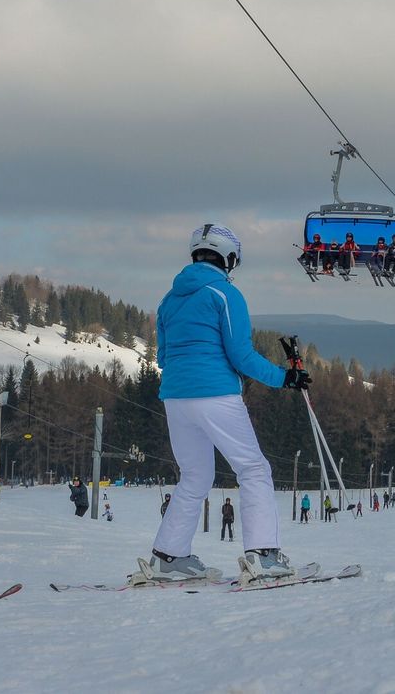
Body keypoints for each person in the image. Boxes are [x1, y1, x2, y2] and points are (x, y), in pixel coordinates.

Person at [141, 223, 310, 583]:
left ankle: (169, 557)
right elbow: (240, 355)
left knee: (195, 476)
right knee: (253, 468)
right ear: (228, 258)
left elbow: (164, 356)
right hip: (216, 394)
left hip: (175, 397)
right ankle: (263, 556)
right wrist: (285, 377)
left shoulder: (168, 301)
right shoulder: (225, 294)